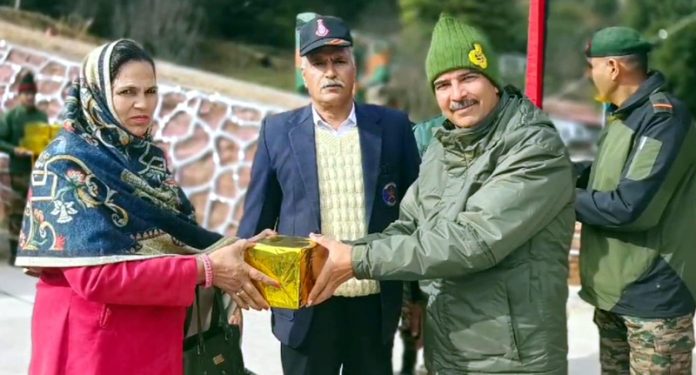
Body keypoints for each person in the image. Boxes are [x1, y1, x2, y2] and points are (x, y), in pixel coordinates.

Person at [307, 14, 575, 374]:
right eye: (443, 84)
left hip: (511, 360)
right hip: (448, 351)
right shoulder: (443, 146)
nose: (457, 94)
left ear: (493, 81)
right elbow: (409, 227)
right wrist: (338, 252)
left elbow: (471, 241)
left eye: (468, 78)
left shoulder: (534, 147)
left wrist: (357, 259)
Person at [14, 39, 278, 375]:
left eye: (151, 91)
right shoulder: (67, 162)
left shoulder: (146, 159)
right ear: (97, 93)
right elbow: (94, 277)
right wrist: (206, 269)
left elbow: (178, 238)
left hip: (154, 341)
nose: (143, 104)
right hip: (94, 348)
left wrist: (239, 254)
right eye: (127, 92)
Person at [238, 15, 420, 375]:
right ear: (303, 73)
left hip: (373, 307)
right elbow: (257, 219)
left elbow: (414, 218)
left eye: (339, 61)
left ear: (356, 69)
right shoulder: (277, 132)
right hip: (304, 308)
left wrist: (417, 297)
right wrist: (238, 287)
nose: (330, 72)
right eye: (318, 64)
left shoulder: (393, 128)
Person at [577, 26, 696, 374]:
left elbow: (629, 207)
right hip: (615, 293)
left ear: (613, 68)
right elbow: (606, 175)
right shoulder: (623, 116)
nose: (589, 76)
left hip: (653, 300)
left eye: (592, 66)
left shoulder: (663, 119)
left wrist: (559, 197)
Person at [0, 71, 48, 265]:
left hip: (38, 171)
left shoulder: (41, 116)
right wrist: (15, 149)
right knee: (18, 211)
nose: (29, 97)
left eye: (32, 94)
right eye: (26, 94)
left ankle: (31, 254)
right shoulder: (11, 117)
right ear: (19, 95)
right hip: (19, 171)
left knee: (36, 213)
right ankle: (14, 254)